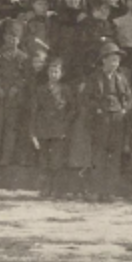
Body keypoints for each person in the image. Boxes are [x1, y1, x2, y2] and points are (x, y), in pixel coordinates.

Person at [72, 40, 130, 200]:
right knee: (99, 155)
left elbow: (128, 97)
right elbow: (85, 98)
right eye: (112, 59)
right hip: (100, 118)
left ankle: (110, 191)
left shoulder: (122, 78)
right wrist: (96, 108)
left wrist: (124, 109)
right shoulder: (94, 78)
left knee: (115, 155)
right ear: (104, 60)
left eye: (117, 60)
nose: (115, 63)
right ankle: (97, 190)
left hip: (117, 119)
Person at [0, 16, 32, 167]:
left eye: (15, 37)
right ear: (4, 37)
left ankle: (6, 157)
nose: (12, 40)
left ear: (19, 39)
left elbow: (25, 76)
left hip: (14, 97)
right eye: (9, 36)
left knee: (10, 127)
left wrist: (16, 87)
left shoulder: (24, 57)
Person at [30, 58, 74, 197]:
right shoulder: (40, 89)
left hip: (59, 129)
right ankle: (45, 188)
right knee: (44, 160)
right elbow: (34, 111)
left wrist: (65, 123)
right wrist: (33, 132)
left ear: (61, 74)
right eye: (51, 71)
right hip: (43, 129)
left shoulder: (65, 89)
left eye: (56, 71)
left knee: (57, 160)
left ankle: (57, 189)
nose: (53, 74)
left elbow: (72, 109)